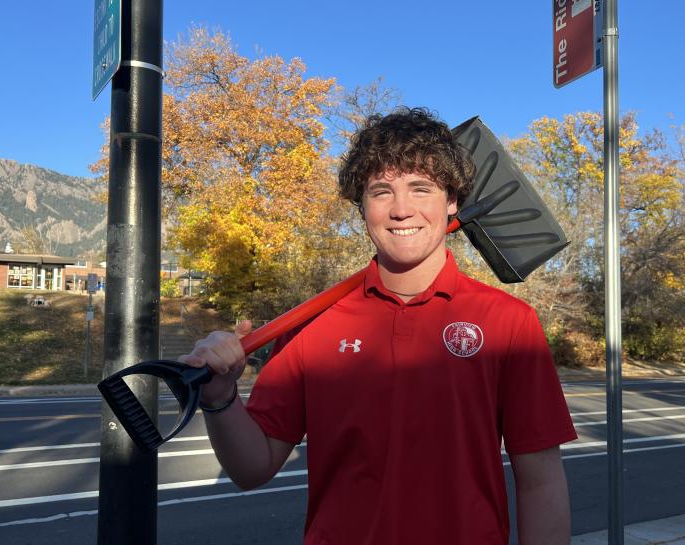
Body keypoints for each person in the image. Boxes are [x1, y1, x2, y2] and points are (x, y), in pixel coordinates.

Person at [180, 107, 578, 545]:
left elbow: (540, 479)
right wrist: (219, 400)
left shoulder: (508, 322)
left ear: (452, 202)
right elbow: (252, 468)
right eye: (381, 191)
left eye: (421, 188)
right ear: (363, 206)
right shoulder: (310, 325)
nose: (401, 210)